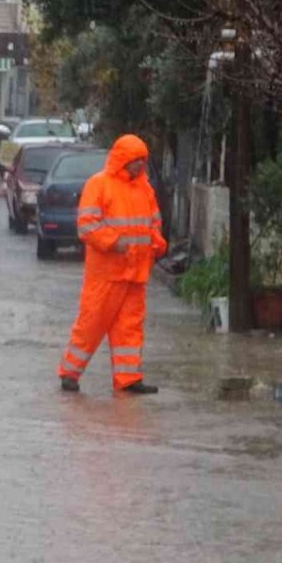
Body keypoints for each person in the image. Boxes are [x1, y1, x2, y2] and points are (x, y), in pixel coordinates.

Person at [57, 134, 167, 394]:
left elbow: (153, 223)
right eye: (134, 160)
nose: (139, 165)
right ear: (121, 159)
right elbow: (86, 226)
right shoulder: (99, 185)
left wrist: (157, 242)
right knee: (91, 324)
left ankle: (128, 379)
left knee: (130, 327)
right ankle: (69, 373)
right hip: (106, 274)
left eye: (142, 160)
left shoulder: (145, 189)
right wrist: (112, 242)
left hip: (136, 272)